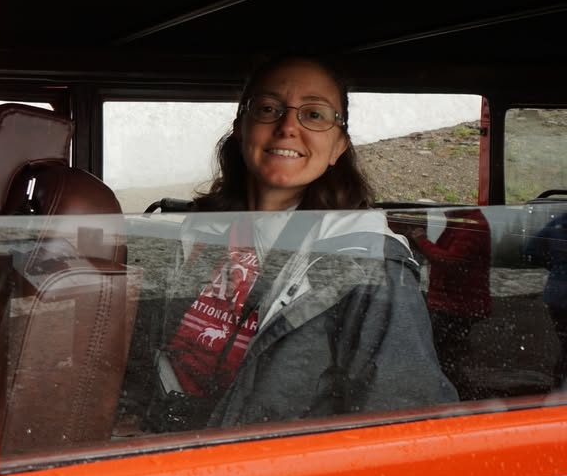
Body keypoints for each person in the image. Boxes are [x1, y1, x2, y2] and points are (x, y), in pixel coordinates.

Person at [153, 55, 457, 430]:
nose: (287, 127)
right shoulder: (200, 232)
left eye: (314, 114)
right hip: (166, 445)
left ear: (338, 147)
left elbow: (405, 425)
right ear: (240, 128)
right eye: (268, 108)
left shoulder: (369, 263)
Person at [402, 208, 492, 400]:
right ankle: (453, 395)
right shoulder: (461, 221)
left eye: (446, 208)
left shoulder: (472, 225)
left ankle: (453, 398)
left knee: (444, 357)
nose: (442, 212)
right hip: (451, 302)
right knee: (446, 354)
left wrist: (421, 240)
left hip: (458, 305)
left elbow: (449, 261)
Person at [523, 210, 567, 388]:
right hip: (558, 293)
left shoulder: (559, 222)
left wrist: (557, 266)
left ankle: (559, 383)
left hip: (556, 293)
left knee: (565, 342)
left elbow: (530, 251)